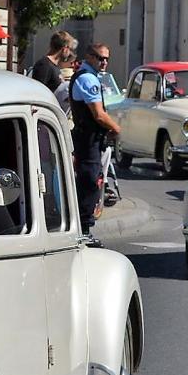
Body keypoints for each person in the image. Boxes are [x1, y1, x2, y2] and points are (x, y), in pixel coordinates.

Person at [70, 44, 122, 241]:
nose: (104, 62)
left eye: (107, 58)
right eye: (100, 58)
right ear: (89, 57)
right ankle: (83, 229)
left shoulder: (89, 76)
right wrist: (116, 129)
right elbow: (99, 115)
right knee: (90, 182)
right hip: (87, 139)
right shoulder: (87, 78)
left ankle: (84, 226)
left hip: (90, 138)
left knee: (93, 180)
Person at [30, 30, 75, 95]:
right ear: (65, 48)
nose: (70, 53)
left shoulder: (54, 66)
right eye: (70, 49)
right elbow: (38, 92)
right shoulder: (44, 65)